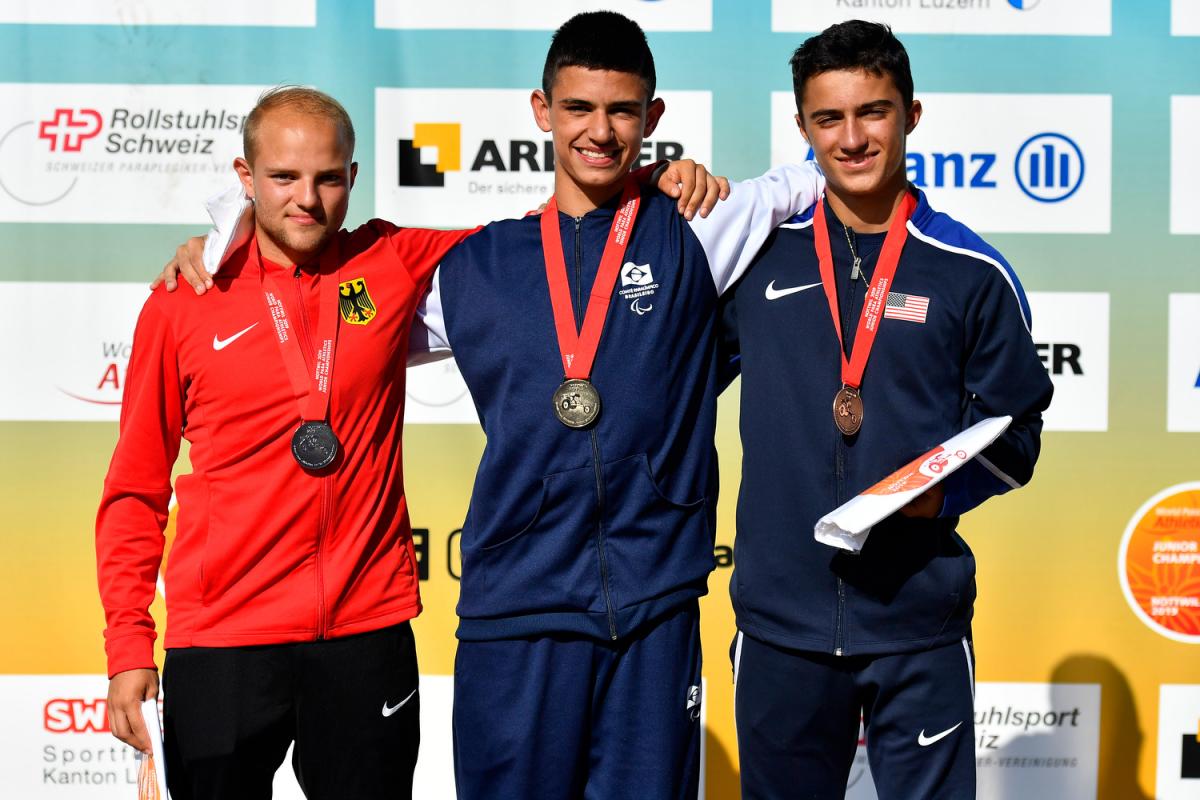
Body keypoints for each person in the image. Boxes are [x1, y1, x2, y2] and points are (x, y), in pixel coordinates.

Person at [99, 85, 718, 800]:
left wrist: (647, 179)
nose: (308, 198)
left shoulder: (390, 263)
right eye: (283, 178)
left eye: (328, 178)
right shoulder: (183, 302)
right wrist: (126, 648)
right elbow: (133, 490)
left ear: (353, 178)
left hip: (366, 633)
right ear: (245, 180)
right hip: (223, 641)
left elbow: (542, 241)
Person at [406, 12, 822, 799]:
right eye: (579, 109)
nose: (600, 131)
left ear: (652, 119)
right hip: (516, 615)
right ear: (541, 110)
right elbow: (335, 307)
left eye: (623, 111)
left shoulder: (695, 227)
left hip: (654, 612)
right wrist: (228, 237)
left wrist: (694, 176)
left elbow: (813, 176)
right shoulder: (476, 266)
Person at [719, 20, 1053, 799]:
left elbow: (1019, 429)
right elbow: (671, 377)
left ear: (911, 115)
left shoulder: (969, 270)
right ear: (803, 127)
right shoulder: (758, 255)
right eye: (829, 118)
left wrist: (948, 494)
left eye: (872, 111)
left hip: (918, 624)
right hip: (780, 626)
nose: (853, 138)